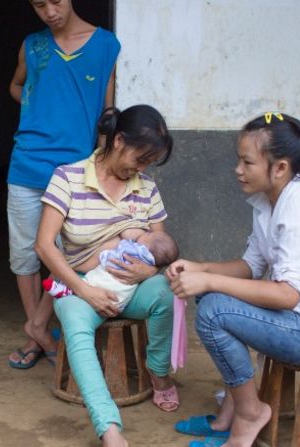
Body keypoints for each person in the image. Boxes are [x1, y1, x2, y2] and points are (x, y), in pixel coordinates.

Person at [168, 112, 300, 447]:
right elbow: (250, 266)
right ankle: (229, 416)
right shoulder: (268, 201)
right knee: (210, 299)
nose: (238, 169)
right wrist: (200, 269)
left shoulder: (299, 208)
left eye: (247, 162)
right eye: (239, 160)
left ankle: (249, 413)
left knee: (214, 309)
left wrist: (210, 282)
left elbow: (288, 294)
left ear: (280, 168)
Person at [36, 105, 179, 447]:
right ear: (118, 141)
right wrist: (84, 291)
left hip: (133, 289)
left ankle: (158, 371)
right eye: (140, 158)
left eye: (149, 162)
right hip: (82, 287)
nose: (142, 168)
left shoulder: (146, 188)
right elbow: (44, 246)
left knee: (168, 292)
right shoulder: (68, 177)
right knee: (74, 322)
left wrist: (150, 270)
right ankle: (109, 428)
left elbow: (160, 244)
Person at [7, 0, 120, 369]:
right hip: (26, 162)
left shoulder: (105, 45)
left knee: (66, 253)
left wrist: (102, 165)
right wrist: (40, 107)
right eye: (39, 5)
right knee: (25, 254)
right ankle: (36, 335)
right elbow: (16, 85)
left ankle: (38, 324)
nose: (49, 12)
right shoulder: (32, 44)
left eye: (56, 1)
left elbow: (107, 112)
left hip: (74, 168)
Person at [43, 229, 179, 310]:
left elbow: (117, 251)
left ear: (146, 247)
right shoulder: (152, 256)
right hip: (122, 297)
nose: (146, 232)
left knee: (91, 281)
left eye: (148, 233)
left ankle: (67, 291)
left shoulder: (136, 249)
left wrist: (108, 251)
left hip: (107, 280)